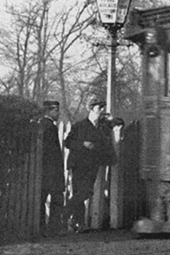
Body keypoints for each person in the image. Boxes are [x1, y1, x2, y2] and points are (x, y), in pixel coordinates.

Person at [64, 97, 117, 232]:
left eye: (103, 108)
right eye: (99, 108)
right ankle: (72, 220)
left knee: (84, 192)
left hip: (92, 164)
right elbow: (68, 142)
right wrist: (83, 144)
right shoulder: (79, 126)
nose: (102, 110)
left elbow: (109, 137)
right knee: (80, 193)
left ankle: (73, 221)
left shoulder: (102, 128)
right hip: (78, 164)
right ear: (91, 108)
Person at [39, 100, 65, 237]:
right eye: (55, 110)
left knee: (41, 200)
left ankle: (41, 228)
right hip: (51, 171)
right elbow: (52, 152)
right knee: (56, 200)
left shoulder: (42, 125)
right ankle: (53, 229)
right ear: (48, 111)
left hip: (44, 171)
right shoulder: (50, 127)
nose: (58, 113)